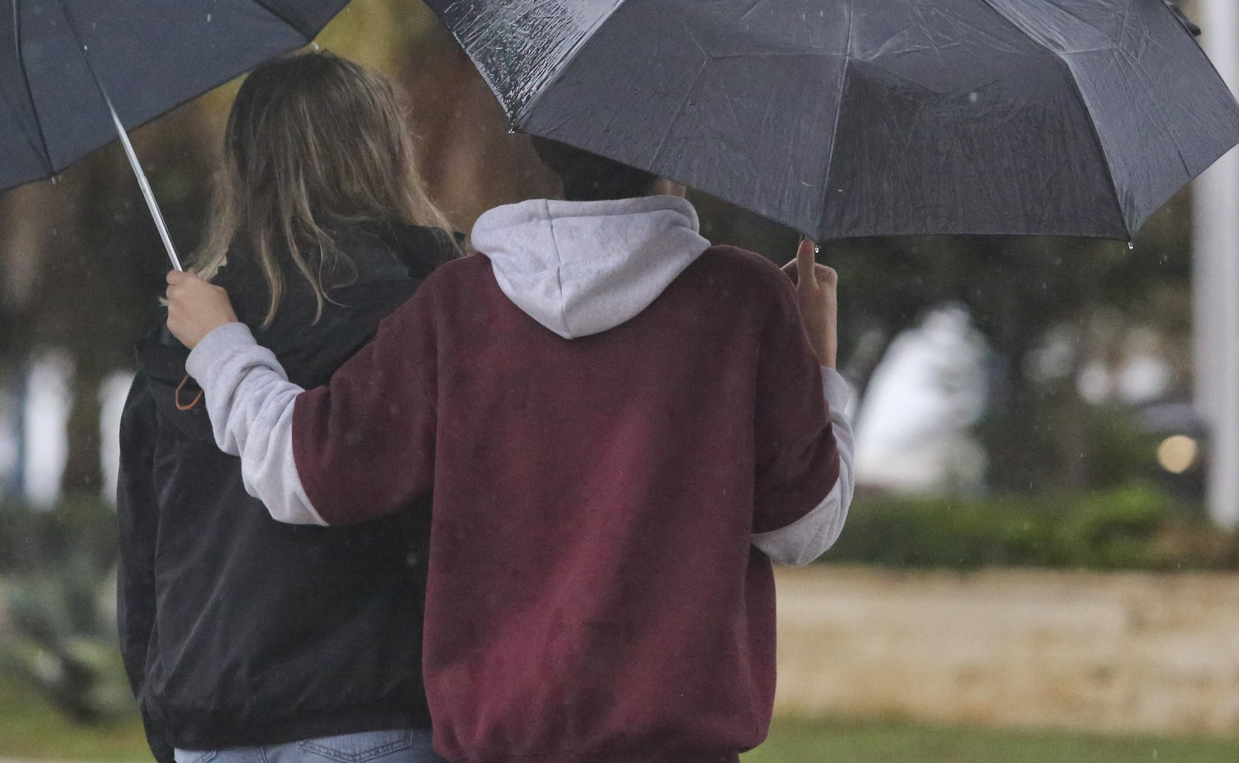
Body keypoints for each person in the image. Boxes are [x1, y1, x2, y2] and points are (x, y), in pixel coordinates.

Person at [165, 137, 854, 763]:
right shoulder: (740, 300)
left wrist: (222, 346)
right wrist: (818, 367)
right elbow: (801, 527)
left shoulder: (459, 305)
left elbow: (309, 470)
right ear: (677, 149)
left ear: (545, 144)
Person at [117, 49, 460, 763]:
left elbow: (147, 567)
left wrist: (173, 715)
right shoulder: (434, 309)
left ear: (241, 169)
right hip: (378, 708)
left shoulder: (180, 341)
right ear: (384, 155)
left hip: (214, 721)